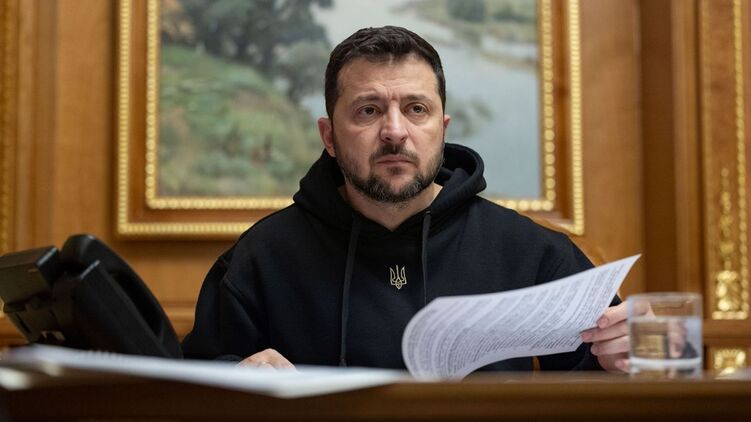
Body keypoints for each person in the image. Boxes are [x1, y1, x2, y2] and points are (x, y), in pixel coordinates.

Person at [182, 26, 630, 373]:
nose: (395, 132)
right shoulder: (263, 256)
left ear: (442, 129)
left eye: (417, 109)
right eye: (368, 110)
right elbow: (192, 387)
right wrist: (235, 376)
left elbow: (604, 376)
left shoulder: (527, 251)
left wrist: (623, 357)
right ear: (329, 137)